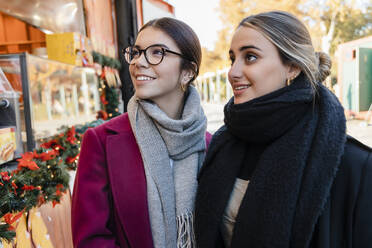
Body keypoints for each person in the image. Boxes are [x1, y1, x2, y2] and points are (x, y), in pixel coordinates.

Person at [195, 11, 372, 248]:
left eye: (250, 57)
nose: (233, 72)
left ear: (293, 68)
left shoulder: (355, 166)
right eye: (232, 59)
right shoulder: (222, 145)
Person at [72, 17, 211, 248]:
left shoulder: (211, 144)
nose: (139, 62)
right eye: (136, 52)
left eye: (157, 53)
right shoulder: (102, 141)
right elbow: (91, 240)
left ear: (187, 72)